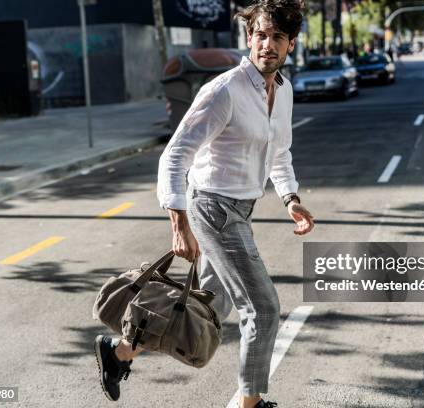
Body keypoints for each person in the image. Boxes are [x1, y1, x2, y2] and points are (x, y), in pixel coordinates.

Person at [93, 1, 315, 407]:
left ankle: (119, 351)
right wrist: (178, 223)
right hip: (212, 209)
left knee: (206, 309)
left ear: (291, 44)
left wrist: (291, 198)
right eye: (261, 35)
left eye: (277, 38)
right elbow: (174, 156)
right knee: (263, 310)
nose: (268, 45)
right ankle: (250, 404)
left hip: (241, 211)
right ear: (250, 38)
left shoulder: (283, 92)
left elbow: (279, 153)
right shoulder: (224, 90)